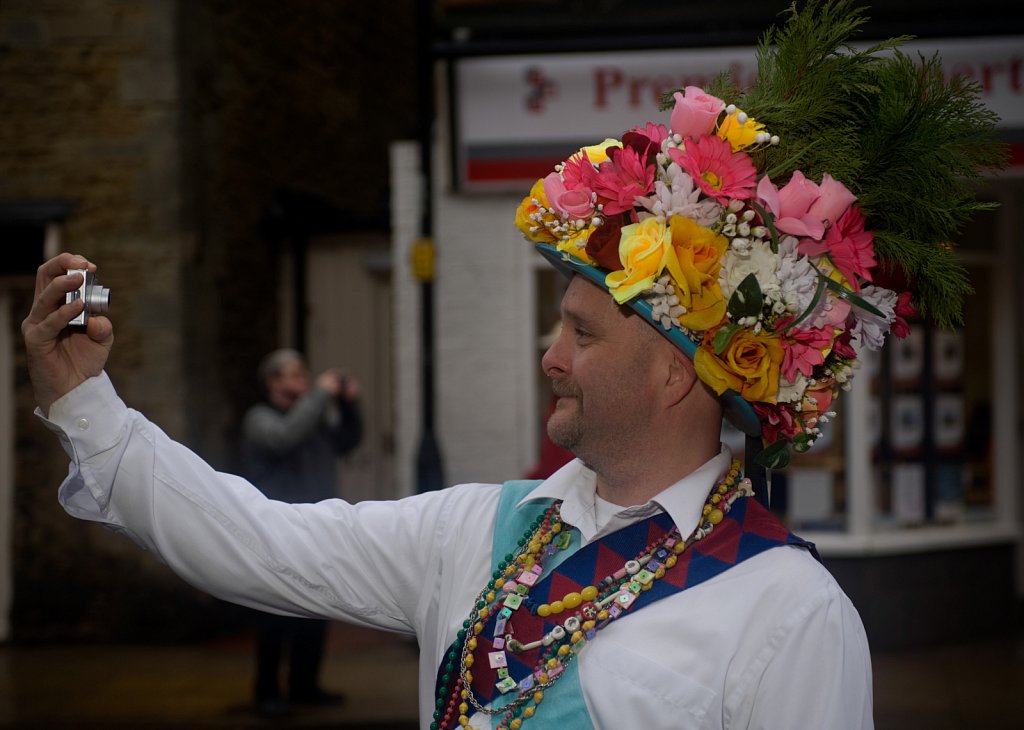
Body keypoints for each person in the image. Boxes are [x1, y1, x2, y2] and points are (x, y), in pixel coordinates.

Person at [21, 3, 1003, 728]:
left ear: (678, 372)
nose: (551, 354)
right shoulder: (473, 528)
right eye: (558, 326)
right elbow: (254, 540)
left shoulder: (787, 612)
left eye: (581, 332)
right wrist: (85, 403)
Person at [240, 349, 362, 717]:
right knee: (275, 613)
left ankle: (304, 686)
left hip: (316, 526)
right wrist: (321, 395)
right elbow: (284, 438)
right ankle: (266, 692)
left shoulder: (313, 418)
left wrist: (351, 404)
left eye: (304, 373)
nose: (303, 380)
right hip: (275, 530)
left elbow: (348, 441)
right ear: (272, 382)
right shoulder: (259, 418)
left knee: (316, 608)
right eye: (294, 374)